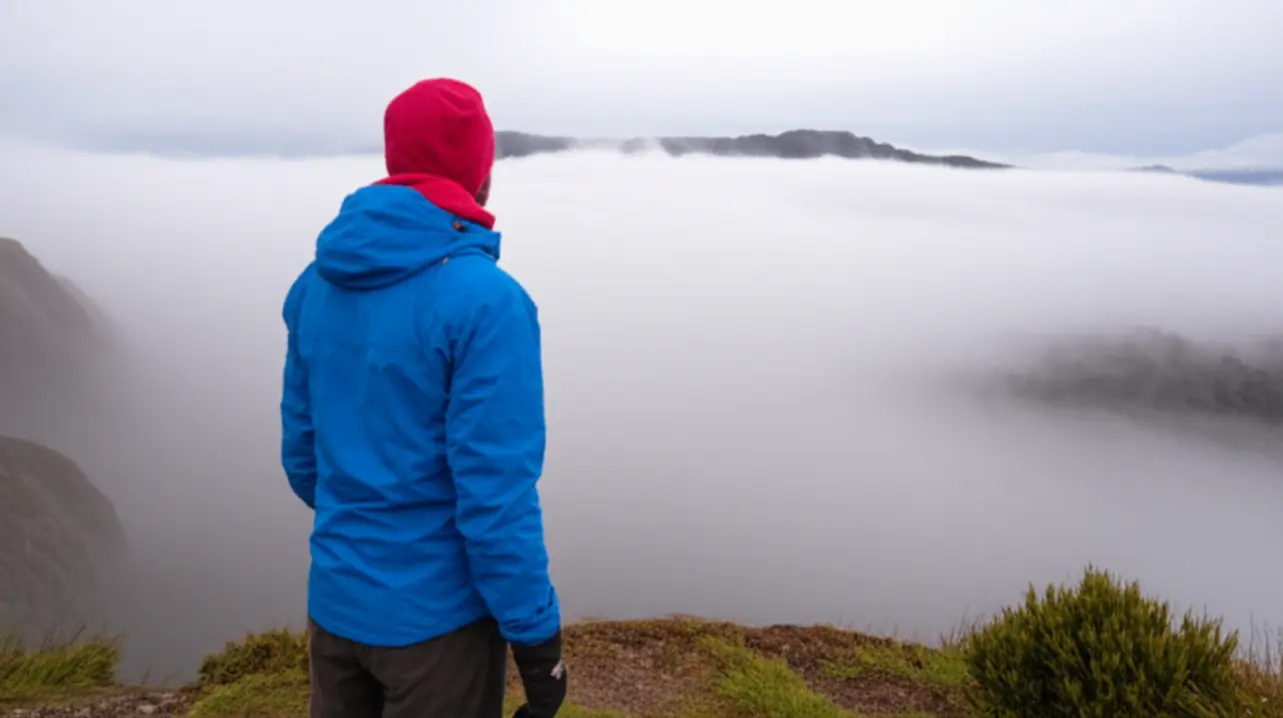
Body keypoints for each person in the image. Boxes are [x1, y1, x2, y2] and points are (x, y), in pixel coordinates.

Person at [279, 77, 566, 718]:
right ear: (481, 173)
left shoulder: (315, 286)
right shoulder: (490, 304)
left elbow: (303, 458)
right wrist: (538, 645)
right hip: (439, 629)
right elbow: (495, 501)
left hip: (335, 607)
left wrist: (365, 535)